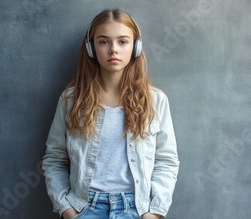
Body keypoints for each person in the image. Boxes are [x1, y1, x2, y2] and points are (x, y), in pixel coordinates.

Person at [42, 9, 179, 219]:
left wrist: (155, 212)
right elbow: (55, 159)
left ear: (136, 46)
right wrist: (67, 210)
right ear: (90, 47)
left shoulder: (155, 101)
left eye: (123, 42)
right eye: (103, 42)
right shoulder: (71, 100)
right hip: (84, 208)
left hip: (136, 209)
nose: (113, 49)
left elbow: (166, 161)